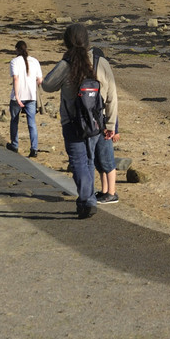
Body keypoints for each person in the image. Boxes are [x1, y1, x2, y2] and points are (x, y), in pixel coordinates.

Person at [41, 23, 118, 219]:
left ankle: (87, 199)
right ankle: (87, 200)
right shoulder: (101, 62)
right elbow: (112, 96)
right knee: (89, 161)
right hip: (95, 123)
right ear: (87, 40)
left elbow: (48, 86)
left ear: (66, 42)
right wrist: (110, 124)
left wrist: (63, 62)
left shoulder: (66, 64)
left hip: (72, 122)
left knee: (78, 162)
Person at [91, 46, 121, 205]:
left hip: (105, 124)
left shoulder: (104, 82)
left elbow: (113, 108)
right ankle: (104, 191)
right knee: (100, 161)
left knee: (107, 160)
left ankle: (112, 192)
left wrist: (114, 129)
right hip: (101, 122)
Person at [7, 40, 43, 157]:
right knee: (31, 122)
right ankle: (34, 148)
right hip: (31, 96)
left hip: (19, 96)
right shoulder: (35, 61)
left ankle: (15, 144)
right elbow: (40, 80)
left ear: (16, 49)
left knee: (14, 120)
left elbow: (15, 79)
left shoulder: (14, 62)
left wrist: (17, 96)